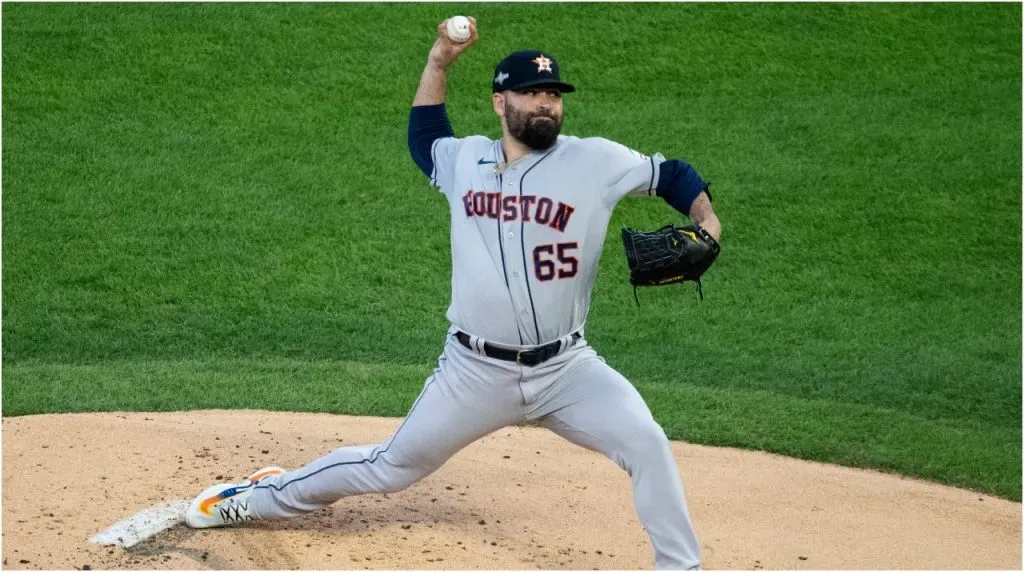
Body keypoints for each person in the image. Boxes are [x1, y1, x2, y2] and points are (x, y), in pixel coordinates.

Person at [185, 17, 721, 570]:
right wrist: (439, 61)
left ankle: (680, 567)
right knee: (390, 467)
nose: (546, 104)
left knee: (647, 443)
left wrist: (709, 225)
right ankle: (255, 497)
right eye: (531, 93)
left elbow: (672, 174)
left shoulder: (595, 161)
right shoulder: (465, 160)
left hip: (569, 371)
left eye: (553, 95)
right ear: (499, 102)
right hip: (474, 371)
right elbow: (424, 139)